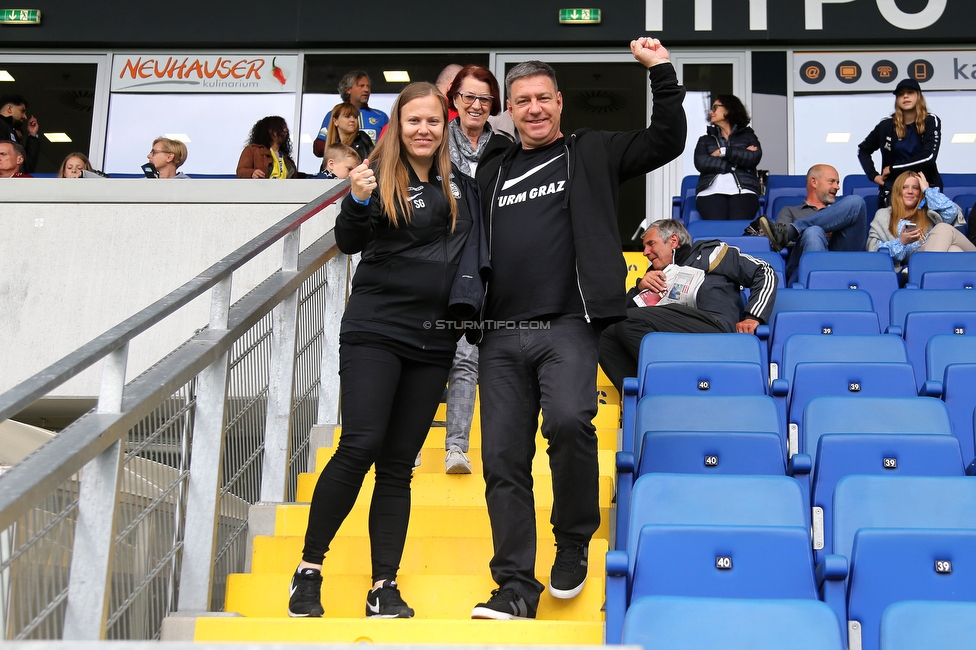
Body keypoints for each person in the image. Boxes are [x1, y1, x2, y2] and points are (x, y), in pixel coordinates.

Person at [469, 38, 686, 621]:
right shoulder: (493, 170)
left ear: (560, 102)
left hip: (568, 322)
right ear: (508, 111)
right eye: (521, 101)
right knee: (502, 460)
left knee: (569, 423)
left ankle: (572, 540)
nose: (533, 108)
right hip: (500, 331)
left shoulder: (592, 152)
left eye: (543, 98)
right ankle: (514, 585)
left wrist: (660, 72)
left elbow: (667, 139)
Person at [287, 81, 477, 620]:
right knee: (361, 444)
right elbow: (349, 242)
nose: (424, 129)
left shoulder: (462, 184)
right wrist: (358, 198)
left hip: (434, 336)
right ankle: (308, 569)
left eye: (433, 122)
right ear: (398, 124)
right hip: (376, 328)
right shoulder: (375, 176)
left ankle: (383, 586)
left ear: (446, 127)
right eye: (413, 120)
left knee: (398, 466)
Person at [599, 219, 776, 393]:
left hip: (712, 326)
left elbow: (764, 271)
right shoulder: (653, 275)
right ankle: (645, 395)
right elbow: (621, 315)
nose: (645, 252)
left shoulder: (710, 253)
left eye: (651, 244)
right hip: (669, 332)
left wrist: (753, 316)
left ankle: (670, 384)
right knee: (605, 333)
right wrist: (639, 288)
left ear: (673, 241)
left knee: (629, 319)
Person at [442, 64, 513, 474]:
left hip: (484, 260)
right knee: (430, 352)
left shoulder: (504, 147)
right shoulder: (435, 139)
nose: (475, 105)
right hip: (439, 256)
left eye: (484, 98)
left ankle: (457, 447)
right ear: (454, 99)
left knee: (467, 355)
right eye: (468, 96)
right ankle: (410, 442)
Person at [744, 164, 867, 286]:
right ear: (814, 182)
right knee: (813, 231)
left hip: (841, 261)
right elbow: (777, 240)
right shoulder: (790, 211)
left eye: (838, 182)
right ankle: (817, 286)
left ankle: (795, 229)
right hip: (803, 269)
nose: (837, 187)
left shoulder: (843, 211)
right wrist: (818, 232)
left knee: (856, 201)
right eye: (832, 182)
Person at [858, 78, 942, 209]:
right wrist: (873, 175)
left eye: (910, 92)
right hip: (894, 189)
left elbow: (929, 157)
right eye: (901, 94)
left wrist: (892, 168)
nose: (905, 96)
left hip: (926, 187)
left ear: (918, 96)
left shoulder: (931, 121)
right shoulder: (886, 125)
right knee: (893, 226)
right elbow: (863, 150)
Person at [867, 170, 973, 266]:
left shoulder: (931, 210)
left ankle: (923, 273)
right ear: (897, 191)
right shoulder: (884, 215)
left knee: (943, 228)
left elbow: (951, 211)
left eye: (916, 188)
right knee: (954, 250)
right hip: (915, 258)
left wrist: (927, 190)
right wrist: (901, 242)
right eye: (905, 187)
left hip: (928, 255)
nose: (910, 191)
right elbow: (874, 252)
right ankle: (927, 274)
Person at [693, 94, 762, 220]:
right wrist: (733, 163)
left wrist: (723, 152)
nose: (711, 112)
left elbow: (753, 157)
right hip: (710, 192)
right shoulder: (705, 140)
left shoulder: (748, 136)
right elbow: (701, 162)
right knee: (718, 230)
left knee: (737, 230)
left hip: (744, 191)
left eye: (715, 108)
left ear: (729, 109)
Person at [313, 70, 389, 158]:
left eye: (368, 86)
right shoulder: (334, 114)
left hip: (371, 168)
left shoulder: (381, 116)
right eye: (361, 86)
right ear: (348, 89)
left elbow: (390, 147)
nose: (366, 89)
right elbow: (318, 149)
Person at [0, 94, 39, 174]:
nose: (25, 116)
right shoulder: (2, 125)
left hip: (16, 183)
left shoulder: (12, 130)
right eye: (22, 111)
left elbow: (27, 166)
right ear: (9, 108)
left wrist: (32, 135)